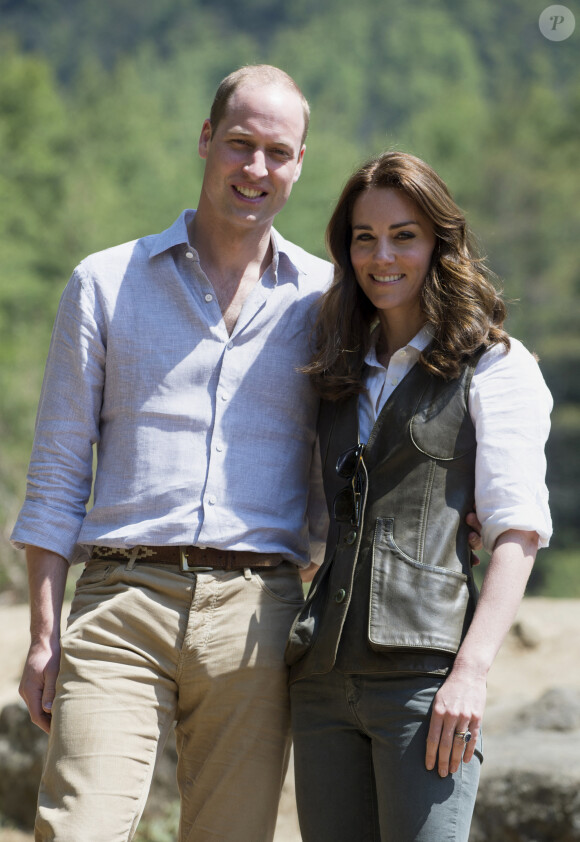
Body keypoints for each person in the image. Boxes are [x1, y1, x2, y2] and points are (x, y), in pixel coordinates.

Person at [11, 64, 334, 842]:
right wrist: (44, 635)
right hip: (121, 599)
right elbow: (57, 472)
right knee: (80, 828)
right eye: (239, 143)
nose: (256, 168)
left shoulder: (326, 301)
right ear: (204, 140)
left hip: (258, 613)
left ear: (299, 164)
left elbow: (343, 472)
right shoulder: (104, 283)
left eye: (277, 152)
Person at [285, 151, 552, 842]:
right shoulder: (335, 368)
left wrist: (469, 675)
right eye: (364, 237)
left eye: (404, 234)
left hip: (424, 683)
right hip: (321, 682)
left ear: (439, 242)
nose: (382, 256)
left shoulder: (495, 365)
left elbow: (517, 533)